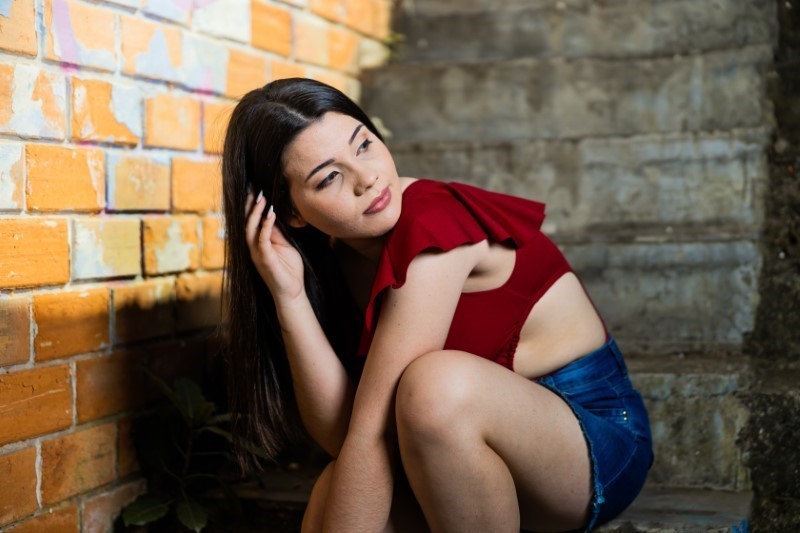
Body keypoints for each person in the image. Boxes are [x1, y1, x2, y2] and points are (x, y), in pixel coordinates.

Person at [221, 77, 653, 532]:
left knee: (432, 386)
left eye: (363, 145)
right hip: (462, 456)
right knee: (334, 486)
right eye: (330, 177)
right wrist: (290, 297)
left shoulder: (432, 221)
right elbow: (343, 436)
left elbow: (373, 433)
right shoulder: (335, 257)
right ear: (290, 212)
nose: (367, 178)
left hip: (592, 437)